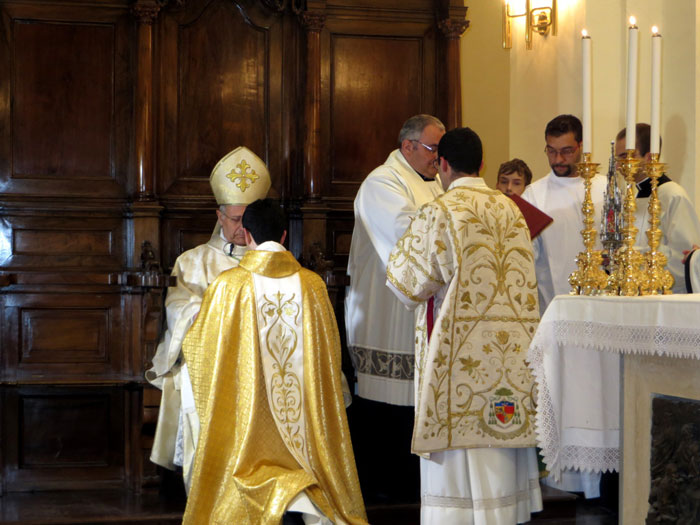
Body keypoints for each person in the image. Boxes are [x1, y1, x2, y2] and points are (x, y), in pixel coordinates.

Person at [386, 127, 542, 525]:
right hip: (512, 357)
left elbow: (407, 282)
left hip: (458, 361)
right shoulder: (512, 210)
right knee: (499, 433)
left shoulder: (441, 210)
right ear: (484, 165)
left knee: (460, 442)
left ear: (442, 165)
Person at [181, 199, 367, 525]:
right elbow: (330, 354)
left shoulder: (228, 286)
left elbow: (201, 350)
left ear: (247, 232)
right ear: (284, 235)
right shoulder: (313, 285)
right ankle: (304, 497)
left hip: (248, 420)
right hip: (305, 421)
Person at [145, 146, 270, 490]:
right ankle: (208, 487)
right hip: (210, 360)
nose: (241, 228)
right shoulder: (193, 261)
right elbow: (179, 310)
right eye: (234, 219)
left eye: (248, 220)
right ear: (218, 216)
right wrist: (223, 315)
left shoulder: (275, 261)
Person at [344, 114, 445, 503]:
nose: (438, 158)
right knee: (385, 402)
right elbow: (406, 235)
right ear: (408, 146)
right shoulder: (382, 182)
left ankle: (412, 487)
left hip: (420, 312)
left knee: (414, 400)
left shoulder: (435, 183)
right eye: (433, 149)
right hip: (386, 313)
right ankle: (381, 490)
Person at [521, 115, 607, 498]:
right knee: (561, 395)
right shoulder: (535, 195)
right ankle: (564, 477)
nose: (558, 159)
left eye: (566, 150)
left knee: (600, 396)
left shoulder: (604, 188)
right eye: (551, 151)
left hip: (603, 315)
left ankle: (601, 480)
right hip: (554, 313)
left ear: (581, 147)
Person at [614, 123, 700, 294]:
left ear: (649, 157)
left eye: (626, 157)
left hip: (664, 297)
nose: (619, 166)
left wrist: (635, 261)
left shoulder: (672, 195)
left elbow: (684, 258)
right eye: (619, 159)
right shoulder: (629, 196)